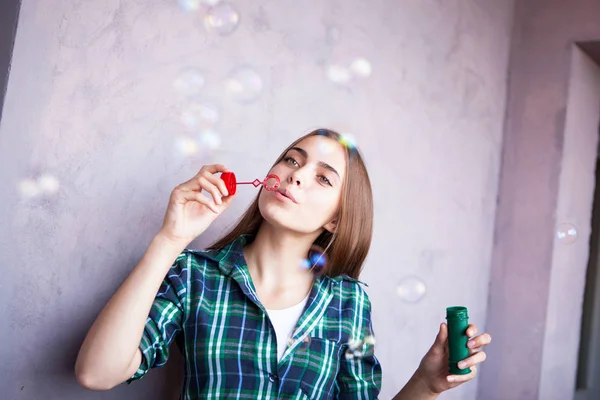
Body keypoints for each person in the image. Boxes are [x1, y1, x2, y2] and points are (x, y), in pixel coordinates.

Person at [75, 128, 491, 399]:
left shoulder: (349, 305)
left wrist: (426, 383)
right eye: (292, 160)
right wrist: (171, 239)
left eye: (323, 178)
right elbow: (96, 373)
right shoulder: (194, 276)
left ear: (335, 219)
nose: (296, 175)